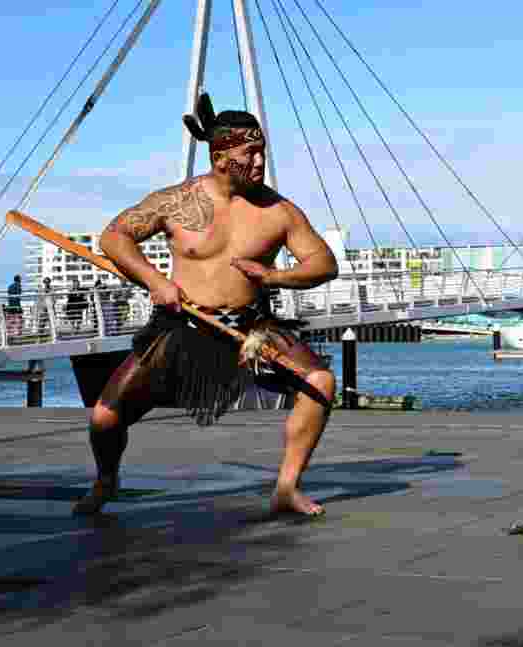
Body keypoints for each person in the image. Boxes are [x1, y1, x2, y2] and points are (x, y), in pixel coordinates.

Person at [72, 92, 338, 519]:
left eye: (262, 152)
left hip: (250, 330)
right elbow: (114, 237)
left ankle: (287, 487)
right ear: (220, 158)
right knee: (105, 418)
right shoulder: (177, 202)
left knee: (320, 382)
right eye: (250, 154)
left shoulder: (279, 211)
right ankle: (106, 480)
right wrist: (156, 281)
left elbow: (324, 264)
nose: (259, 162)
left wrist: (272, 276)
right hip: (182, 326)